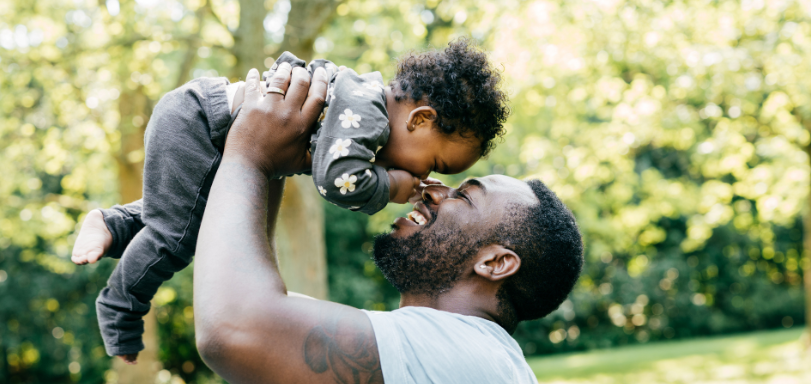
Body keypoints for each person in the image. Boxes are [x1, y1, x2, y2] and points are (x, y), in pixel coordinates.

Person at [74, 39, 510, 362]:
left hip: (198, 121)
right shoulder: (368, 115)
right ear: (420, 119)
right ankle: (120, 308)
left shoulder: (365, 108)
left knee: (191, 218)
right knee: (175, 239)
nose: (422, 177)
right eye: (431, 162)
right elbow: (338, 180)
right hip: (199, 126)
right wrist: (392, 186)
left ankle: (112, 224)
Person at [204, 65, 584, 382]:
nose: (432, 190)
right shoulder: (464, 352)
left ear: (495, 263)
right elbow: (254, 300)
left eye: (463, 196)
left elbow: (235, 326)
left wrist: (252, 154)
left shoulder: (459, 353)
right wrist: (278, 153)